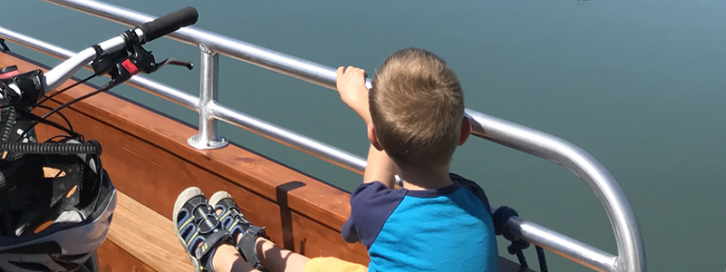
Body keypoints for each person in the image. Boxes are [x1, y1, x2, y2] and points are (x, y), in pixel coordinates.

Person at [174, 48, 498, 272]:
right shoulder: (476, 201)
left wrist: (370, 111)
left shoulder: (379, 212)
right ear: (464, 132)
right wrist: (375, 122)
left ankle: (220, 256)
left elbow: (362, 213)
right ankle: (253, 244)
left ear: (375, 138)